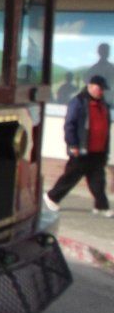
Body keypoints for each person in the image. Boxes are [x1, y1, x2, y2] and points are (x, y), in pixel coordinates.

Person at [45, 75, 114, 218]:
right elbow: (70, 124)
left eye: (103, 89)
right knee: (71, 176)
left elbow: (106, 127)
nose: (101, 91)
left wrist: (105, 149)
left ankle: (101, 206)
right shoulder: (79, 102)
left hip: (98, 151)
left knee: (98, 179)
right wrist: (72, 144)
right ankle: (52, 197)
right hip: (81, 149)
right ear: (90, 86)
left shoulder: (103, 105)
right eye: (99, 88)